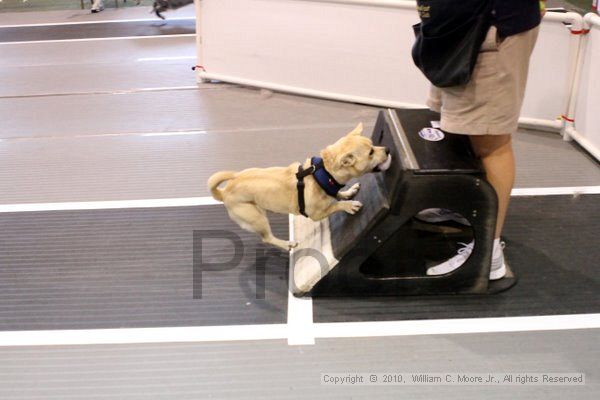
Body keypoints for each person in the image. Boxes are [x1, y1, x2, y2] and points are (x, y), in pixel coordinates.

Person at [418, 0, 545, 279]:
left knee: (491, 141)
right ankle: (462, 208)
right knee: (459, 125)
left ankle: (488, 254)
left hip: (490, 26)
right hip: (456, 28)